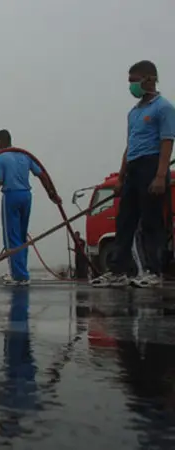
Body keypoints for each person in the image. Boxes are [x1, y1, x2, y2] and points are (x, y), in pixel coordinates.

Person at [92, 60, 175, 288]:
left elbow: (167, 141)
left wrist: (160, 176)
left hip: (152, 165)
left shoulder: (164, 108)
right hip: (134, 167)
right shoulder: (134, 113)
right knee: (124, 221)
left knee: (151, 222)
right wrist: (121, 177)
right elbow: (129, 146)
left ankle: (152, 271)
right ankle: (119, 271)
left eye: (134, 81)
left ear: (149, 79)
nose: (131, 86)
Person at [0, 129, 61, 286]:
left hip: (11, 196)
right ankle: (21, 272)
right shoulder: (24, 155)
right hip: (26, 196)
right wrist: (52, 194)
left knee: (12, 237)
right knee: (21, 236)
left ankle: (19, 276)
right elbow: (42, 175)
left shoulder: (0, 158)